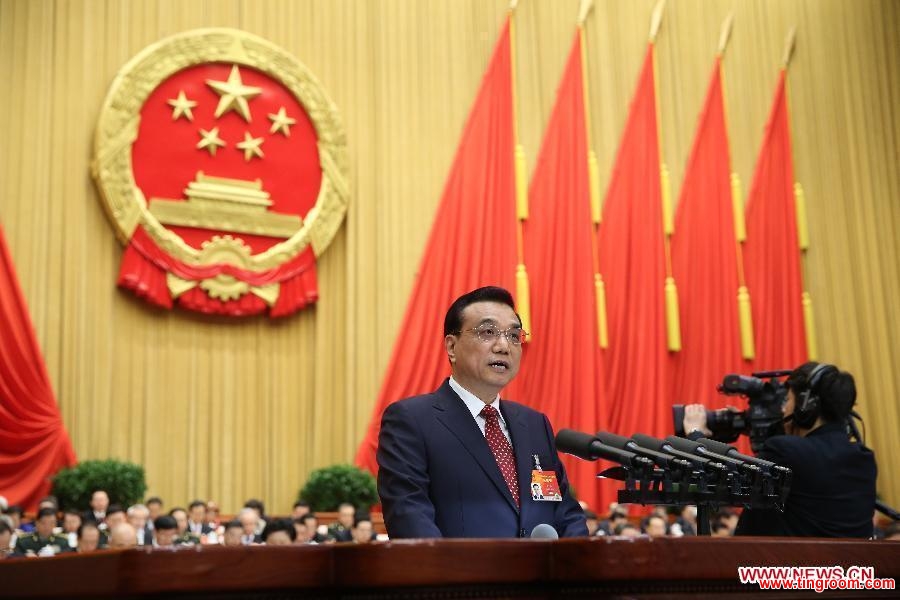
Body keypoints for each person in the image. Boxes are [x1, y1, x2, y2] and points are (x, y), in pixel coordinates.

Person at [377, 286, 587, 538]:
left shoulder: (534, 424)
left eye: (513, 335)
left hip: (544, 577)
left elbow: (564, 513)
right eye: (488, 332)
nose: (503, 346)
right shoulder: (412, 420)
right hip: (463, 577)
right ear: (452, 347)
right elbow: (409, 518)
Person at [683, 361, 877, 538]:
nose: (784, 410)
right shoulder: (864, 459)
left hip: (781, 573)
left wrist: (695, 434)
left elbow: (723, 477)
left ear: (806, 406)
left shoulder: (786, 451)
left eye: (788, 400)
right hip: (849, 574)